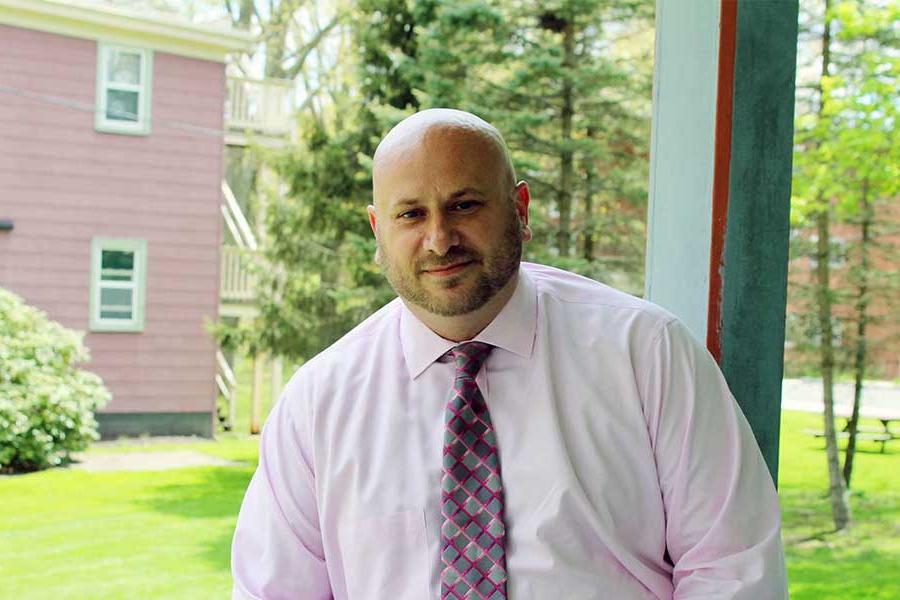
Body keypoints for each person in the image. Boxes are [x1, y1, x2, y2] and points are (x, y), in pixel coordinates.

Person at [231, 108, 787, 599]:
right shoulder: (318, 403)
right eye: (410, 215)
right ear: (379, 230)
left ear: (519, 208)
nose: (440, 238)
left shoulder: (646, 354)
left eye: (464, 204)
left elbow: (732, 567)